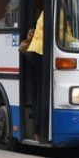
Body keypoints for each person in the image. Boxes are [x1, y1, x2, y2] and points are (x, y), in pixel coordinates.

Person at [25, 11, 44, 142]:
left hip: (33, 51)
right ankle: (38, 131)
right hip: (39, 53)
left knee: (37, 93)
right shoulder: (59, 10)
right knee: (41, 94)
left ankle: (36, 132)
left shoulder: (43, 12)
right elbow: (60, 34)